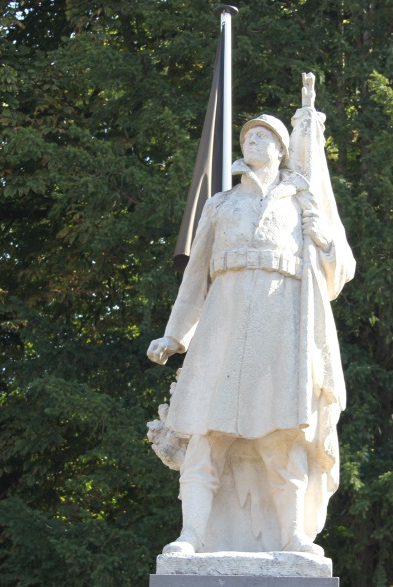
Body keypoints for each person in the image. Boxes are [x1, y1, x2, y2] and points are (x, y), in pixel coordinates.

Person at [148, 74, 354, 556]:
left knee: (282, 437)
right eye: (248, 136)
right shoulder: (221, 205)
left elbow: (336, 267)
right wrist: (175, 336)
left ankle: (291, 535)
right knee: (205, 434)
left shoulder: (300, 201)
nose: (254, 140)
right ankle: (192, 534)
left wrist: (323, 238)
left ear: (283, 150)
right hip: (222, 325)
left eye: (264, 136)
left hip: (281, 326)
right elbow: (195, 277)